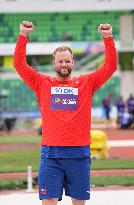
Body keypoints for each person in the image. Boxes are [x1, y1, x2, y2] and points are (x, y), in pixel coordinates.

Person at [13, 21, 117, 205]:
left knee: (78, 202)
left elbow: (110, 67)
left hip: (79, 154)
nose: (64, 64)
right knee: (48, 201)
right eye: (60, 61)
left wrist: (108, 38)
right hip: (51, 155)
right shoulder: (42, 83)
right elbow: (19, 65)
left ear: (73, 63)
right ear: (54, 63)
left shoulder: (87, 83)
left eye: (67, 61)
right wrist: (23, 35)